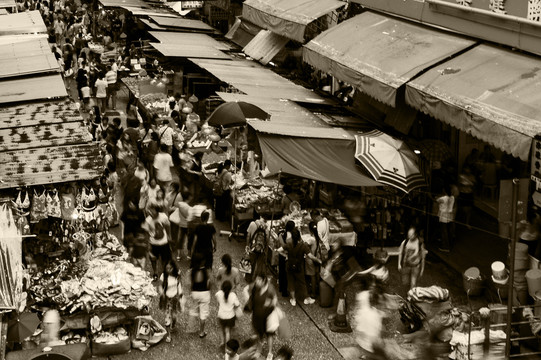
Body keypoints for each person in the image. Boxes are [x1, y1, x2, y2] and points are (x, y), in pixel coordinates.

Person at [280, 228, 319, 306]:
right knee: (302, 282)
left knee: (291, 282)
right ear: (299, 236)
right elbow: (310, 256)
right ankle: (306, 298)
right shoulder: (303, 246)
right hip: (299, 267)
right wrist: (318, 260)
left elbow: (279, 250)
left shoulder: (288, 244)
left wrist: (286, 256)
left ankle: (293, 300)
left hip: (289, 266)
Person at [245, 275, 277, 360]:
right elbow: (245, 290)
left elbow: (274, 301)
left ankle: (270, 353)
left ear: (264, 281)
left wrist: (269, 305)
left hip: (268, 317)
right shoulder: (255, 287)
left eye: (259, 280)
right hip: (257, 316)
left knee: (269, 335)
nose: (256, 282)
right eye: (256, 280)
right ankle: (259, 351)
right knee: (259, 335)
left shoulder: (270, 289)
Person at [141, 204, 172, 281]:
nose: (150, 212)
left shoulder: (163, 217)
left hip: (164, 242)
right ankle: (155, 272)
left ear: (157, 210)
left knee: (165, 258)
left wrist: (169, 237)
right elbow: (146, 234)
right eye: (149, 210)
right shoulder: (148, 220)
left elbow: (167, 226)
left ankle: (165, 272)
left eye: (152, 210)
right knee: (153, 259)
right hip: (153, 243)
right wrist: (148, 245)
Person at [159, 260, 184, 342]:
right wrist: (162, 293)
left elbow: (179, 285)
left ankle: (172, 326)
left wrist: (180, 295)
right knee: (167, 317)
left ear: (173, 268)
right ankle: (168, 335)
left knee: (174, 316)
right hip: (167, 299)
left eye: (170, 268)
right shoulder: (163, 276)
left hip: (175, 299)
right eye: (167, 268)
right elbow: (160, 286)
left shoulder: (177, 275)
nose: (168, 270)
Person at [188, 253, 212, 338]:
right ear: (203, 261)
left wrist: (191, 292)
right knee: (203, 313)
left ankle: (191, 328)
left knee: (193, 310)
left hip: (195, 293)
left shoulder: (192, 270)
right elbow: (209, 283)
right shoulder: (206, 271)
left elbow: (190, 283)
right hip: (205, 293)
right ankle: (201, 332)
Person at [398, 226, 425, 291]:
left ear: (415, 234)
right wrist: (399, 264)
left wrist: (422, 269)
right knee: (405, 282)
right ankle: (408, 294)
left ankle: (411, 298)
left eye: (411, 235)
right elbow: (400, 253)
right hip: (406, 265)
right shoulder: (405, 242)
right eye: (408, 234)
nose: (409, 236)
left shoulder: (420, 243)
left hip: (416, 266)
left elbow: (423, 256)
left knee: (413, 283)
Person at [216, 280, 241, 347]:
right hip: (230, 316)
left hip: (221, 315)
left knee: (221, 329)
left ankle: (222, 342)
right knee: (227, 331)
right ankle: (227, 346)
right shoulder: (233, 295)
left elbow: (218, 302)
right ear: (230, 288)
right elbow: (237, 305)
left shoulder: (219, 294)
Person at [436, 186, 454, 252]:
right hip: (449, 216)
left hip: (443, 216)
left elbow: (436, 200)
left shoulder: (443, 198)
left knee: (444, 231)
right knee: (448, 230)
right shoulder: (452, 198)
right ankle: (449, 244)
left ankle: (445, 246)